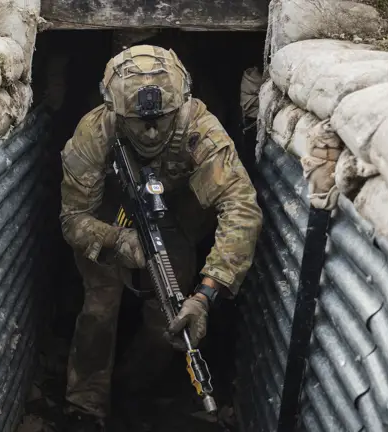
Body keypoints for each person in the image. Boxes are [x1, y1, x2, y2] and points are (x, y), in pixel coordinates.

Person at [58, 44, 263, 431]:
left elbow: (241, 208)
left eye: (162, 119)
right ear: (115, 112)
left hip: (173, 220)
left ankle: (135, 389)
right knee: (100, 308)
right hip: (106, 220)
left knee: (170, 318)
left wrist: (206, 295)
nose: (151, 131)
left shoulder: (199, 127)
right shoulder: (94, 133)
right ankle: (84, 403)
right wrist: (118, 241)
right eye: (138, 121)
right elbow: (72, 219)